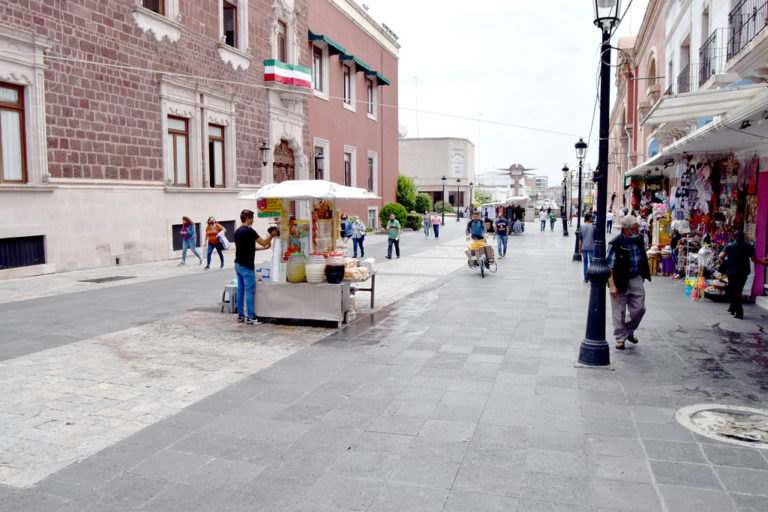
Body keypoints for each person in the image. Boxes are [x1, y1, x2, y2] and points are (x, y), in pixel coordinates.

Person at [607, 215, 651, 350]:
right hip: (620, 279)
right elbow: (609, 266)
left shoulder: (639, 239)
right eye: (636, 229)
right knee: (618, 312)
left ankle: (628, 330)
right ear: (627, 230)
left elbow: (643, 256)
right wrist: (612, 286)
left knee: (640, 308)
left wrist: (643, 275)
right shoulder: (616, 243)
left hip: (636, 277)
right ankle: (620, 338)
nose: (638, 231)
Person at [234, 209, 277, 325]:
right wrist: (272, 236)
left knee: (240, 290)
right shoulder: (249, 231)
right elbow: (263, 242)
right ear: (248, 218)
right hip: (246, 265)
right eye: (252, 218)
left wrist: (263, 249)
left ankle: (240, 315)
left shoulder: (237, 231)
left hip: (237, 264)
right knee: (249, 291)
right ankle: (251, 317)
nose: (253, 221)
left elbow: (246, 247)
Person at [717, 231, 768, 319]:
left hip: (731, 271)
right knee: (738, 290)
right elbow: (754, 259)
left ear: (734, 238)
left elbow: (721, 256)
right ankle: (732, 308)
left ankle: (739, 311)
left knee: (734, 290)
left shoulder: (729, 246)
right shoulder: (749, 247)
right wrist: (763, 264)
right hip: (743, 272)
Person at [578, 212, 596, 282]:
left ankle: (586, 277)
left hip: (584, 247)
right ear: (589, 218)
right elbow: (595, 238)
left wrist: (579, 248)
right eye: (591, 217)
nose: (592, 218)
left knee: (585, 262)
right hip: (591, 247)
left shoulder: (582, 227)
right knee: (591, 262)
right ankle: (591, 276)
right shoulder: (593, 227)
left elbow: (580, 239)